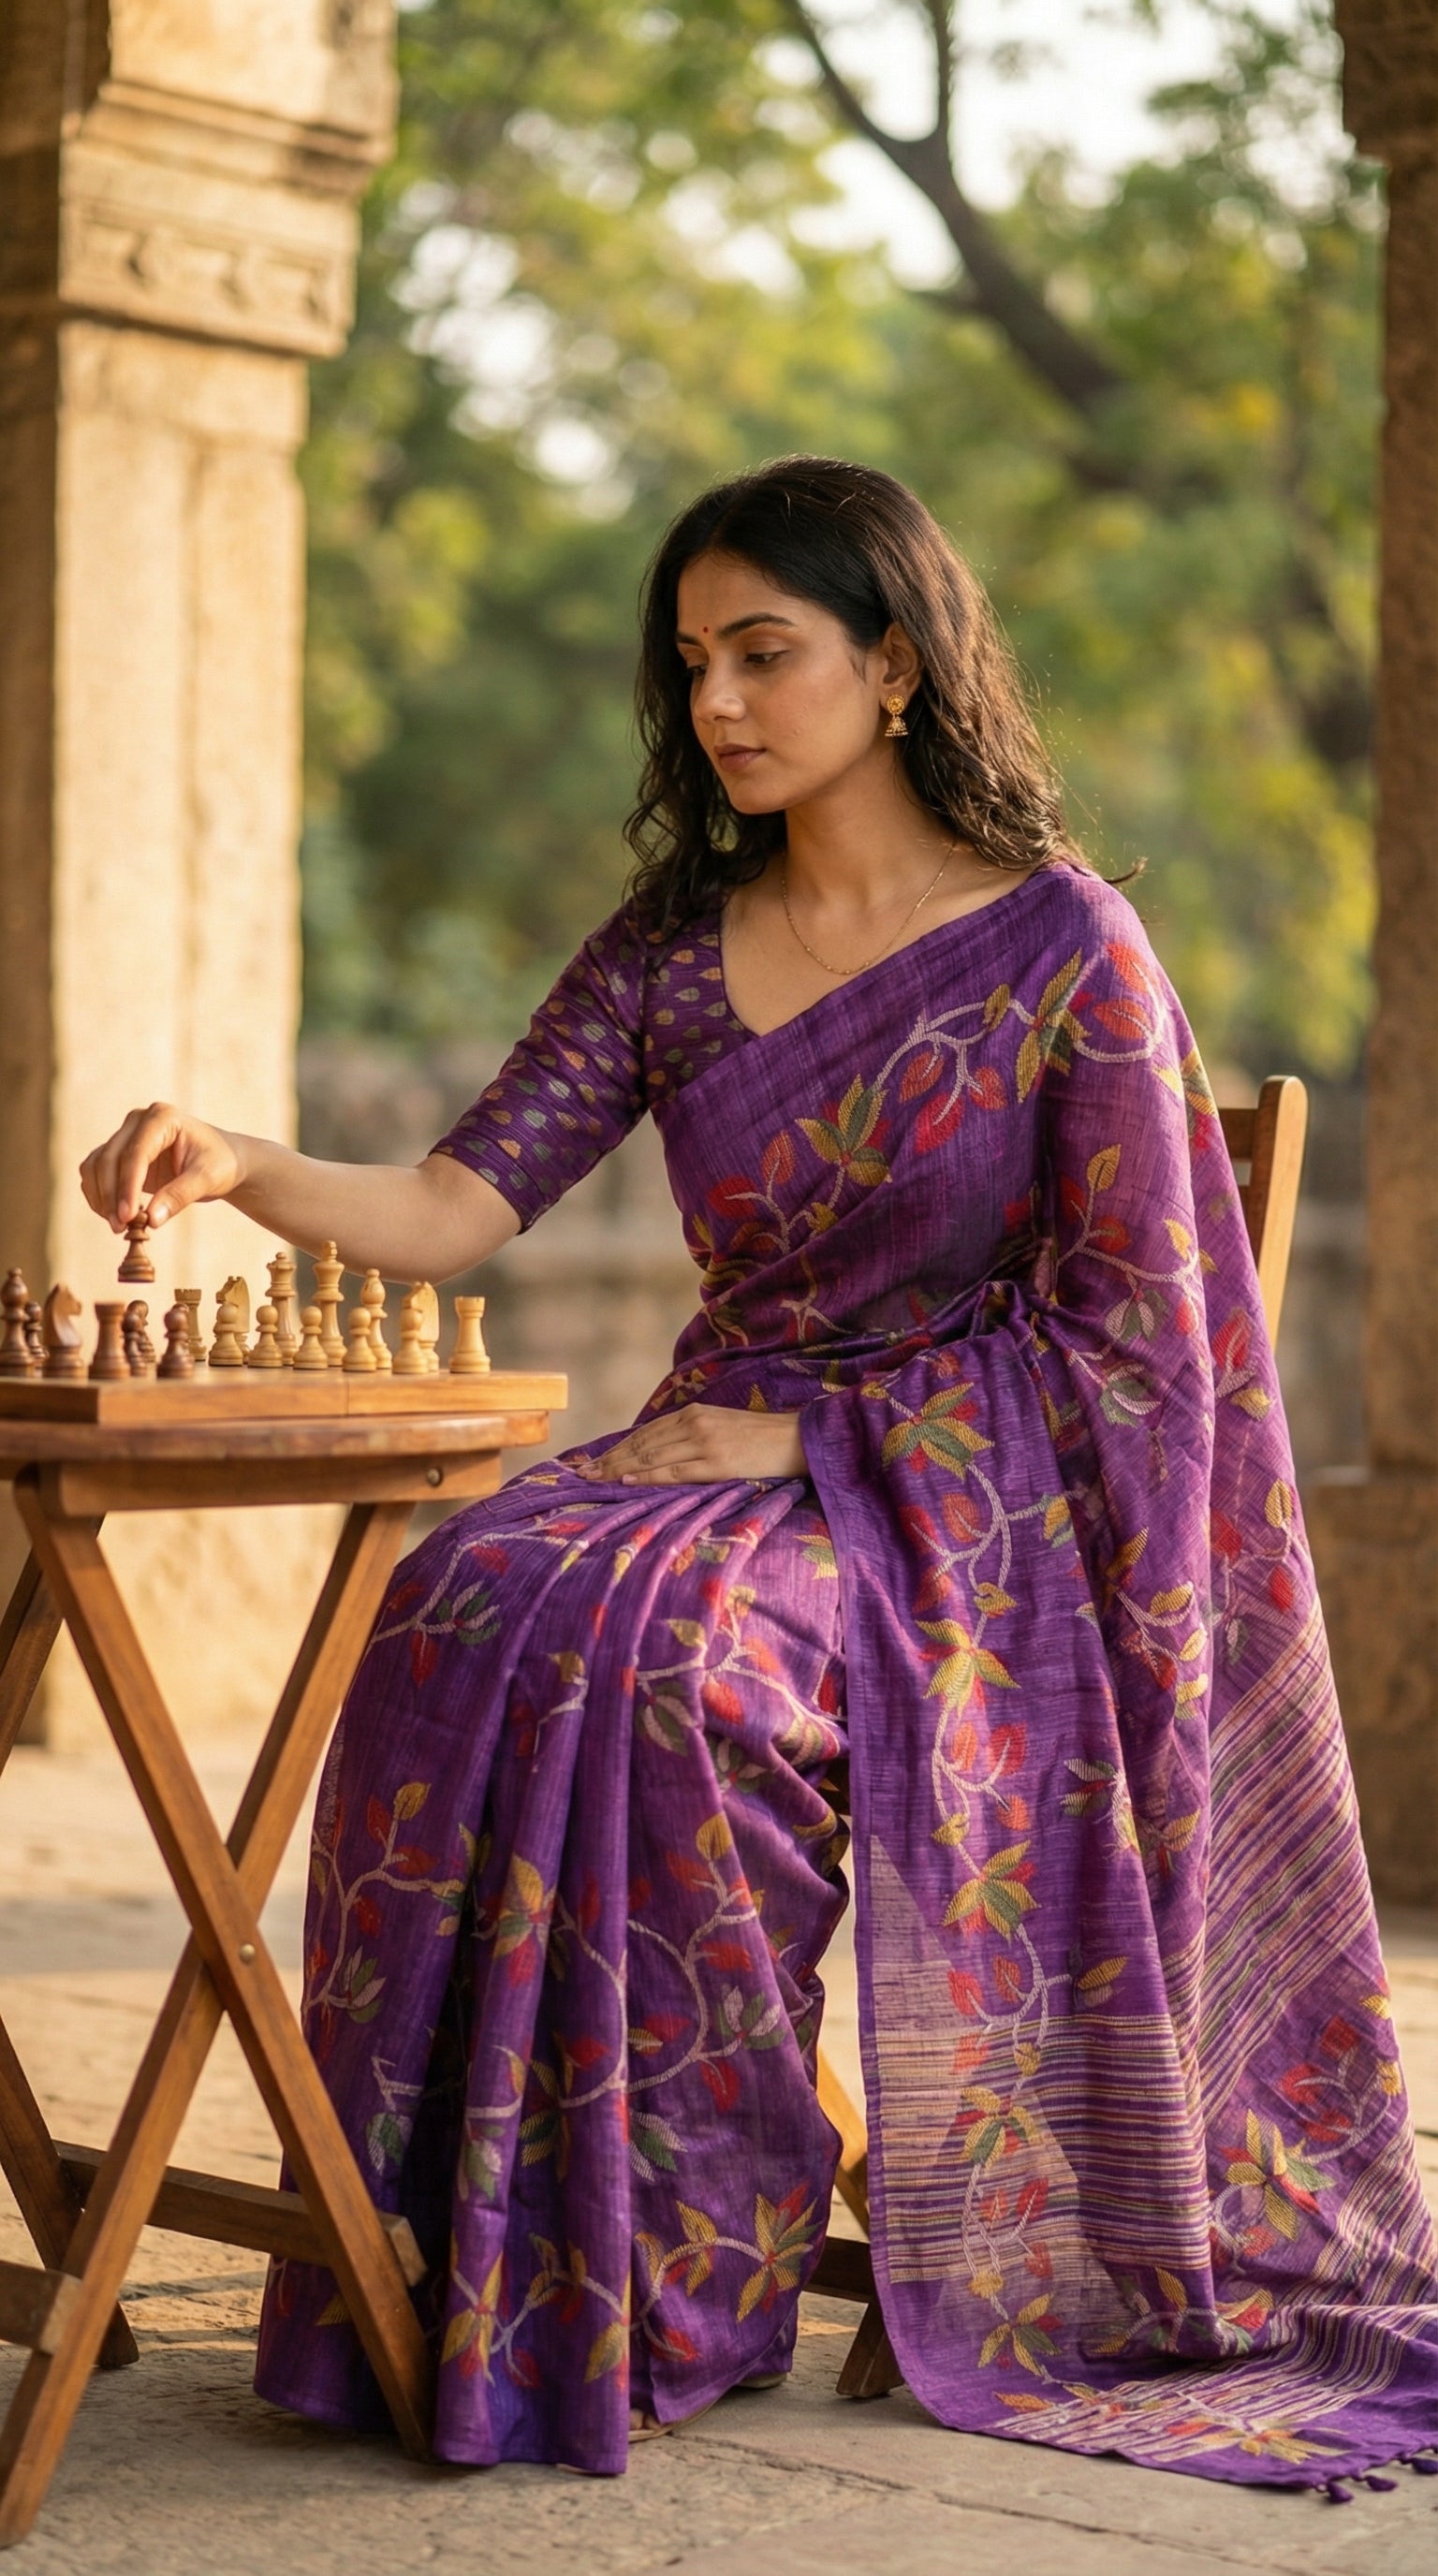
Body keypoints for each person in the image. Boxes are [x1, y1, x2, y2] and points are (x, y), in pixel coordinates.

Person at [81, 457, 1438, 2493]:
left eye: (764, 650)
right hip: (707, 1457)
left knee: (677, 1659)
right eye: (693, 659)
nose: (717, 698)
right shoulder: (674, 950)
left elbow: (1149, 1349)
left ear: (894, 665)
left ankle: (676, 2267)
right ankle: (474, 2258)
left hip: (979, 1528)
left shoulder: (1064, 947)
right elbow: (459, 1203)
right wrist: (242, 1162)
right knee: (466, 1591)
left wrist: (823, 1438)